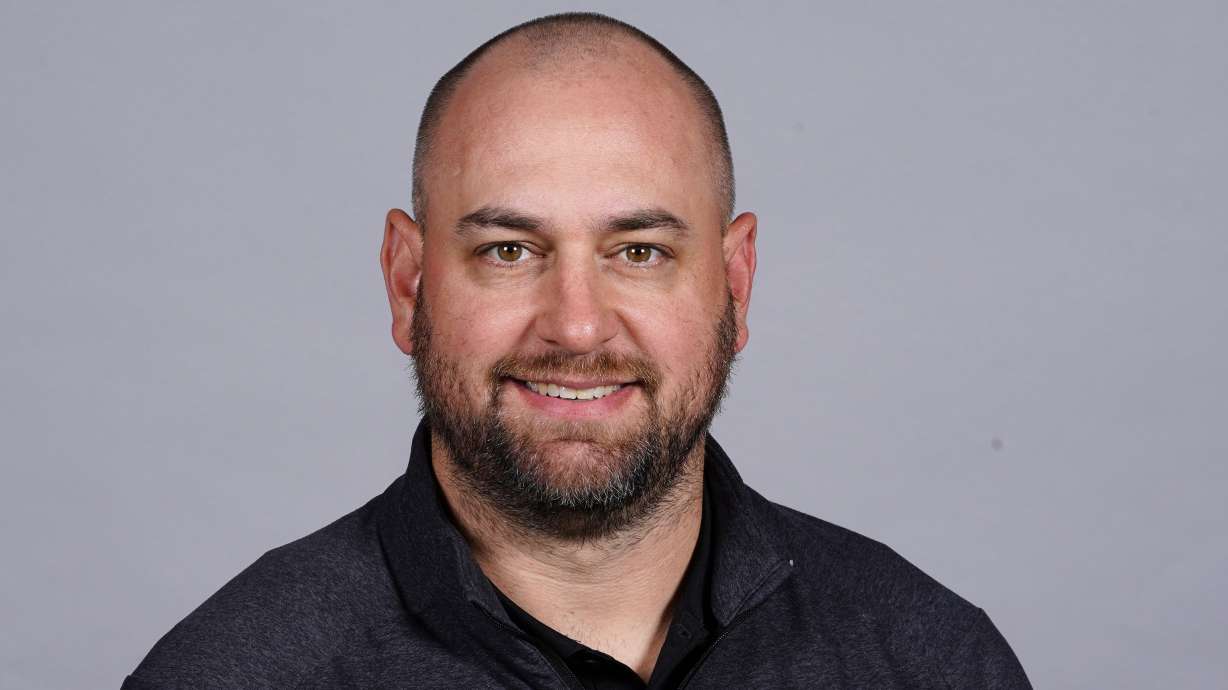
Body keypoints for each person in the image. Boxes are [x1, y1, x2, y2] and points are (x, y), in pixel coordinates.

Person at [123, 12, 1031, 689]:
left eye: (639, 253)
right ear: (408, 283)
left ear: (736, 282)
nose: (577, 327)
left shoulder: (929, 660)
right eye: (508, 251)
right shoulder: (232, 673)